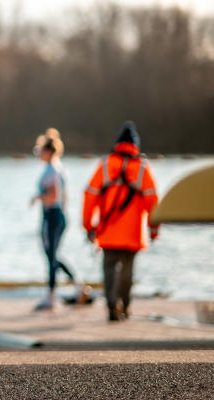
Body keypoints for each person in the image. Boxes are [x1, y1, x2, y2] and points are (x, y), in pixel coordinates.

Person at [82, 121, 159, 322]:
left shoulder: (106, 165)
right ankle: (125, 305)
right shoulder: (143, 168)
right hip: (133, 232)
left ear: (118, 144)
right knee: (127, 271)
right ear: (136, 146)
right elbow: (152, 201)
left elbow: (90, 196)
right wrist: (153, 228)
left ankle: (111, 306)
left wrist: (88, 225)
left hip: (108, 231)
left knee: (109, 269)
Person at [28, 128, 85, 311]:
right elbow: (64, 197)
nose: (38, 153)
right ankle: (78, 286)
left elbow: (52, 196)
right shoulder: (59, 169)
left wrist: (37, 197)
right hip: (59, 214)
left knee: (51, 256)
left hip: (51, 215)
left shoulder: (51, 171)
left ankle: (52, 298)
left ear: (49, 151)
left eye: (41, 150)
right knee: (53, 256)